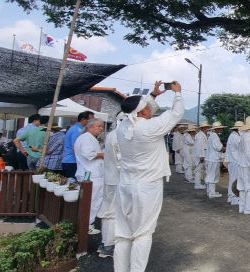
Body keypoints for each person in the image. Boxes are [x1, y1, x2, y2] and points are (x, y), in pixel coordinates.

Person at [114, 81, 184, 272]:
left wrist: (152, 96)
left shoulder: (122, 128)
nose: (150, 108)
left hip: (125, 184)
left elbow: (145, 111)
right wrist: (177, 93)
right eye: (147, 106)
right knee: (143, 234)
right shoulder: (150, 128)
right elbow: (176, 113)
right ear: (143, 112)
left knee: (123, 235)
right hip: (146, 186)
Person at [97, 113, 123, 258]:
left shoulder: (113, 134)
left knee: (110, 211)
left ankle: (107, 243)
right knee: (112, 212)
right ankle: (108, 245)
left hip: (111, 178)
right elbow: (120, 160)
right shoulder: (119, 135)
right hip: (117, 179)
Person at [75, 119, 105, 235]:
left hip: (91, 172)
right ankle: (87, 224)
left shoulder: (88, 138)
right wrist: (103, 154)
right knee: (92, 199)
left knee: (92, 199)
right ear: (90, 127)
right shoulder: (87, 138)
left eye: (102, 126)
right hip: (91, 173)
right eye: (98, 126)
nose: (101, 129)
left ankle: (87, 223)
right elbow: (89, 154)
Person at [62, 111, 93, 178]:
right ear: (83, 120)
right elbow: (75, 148)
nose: (92, 122)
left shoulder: (79, 129)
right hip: (72, 161)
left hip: (72, 161)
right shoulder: (77, 130)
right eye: (91, 120)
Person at [205, 122, 226, 198]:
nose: (221, 129)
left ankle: (210, 191)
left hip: (212, 158)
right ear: (217, 129)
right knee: (212, 175)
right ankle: (211, 192)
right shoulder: (214, 136)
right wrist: (227, 149)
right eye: (220, 128)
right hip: (213, 158)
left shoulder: (212, 136)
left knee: (211, 174)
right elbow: (219, 148)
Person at [225, 121, 243, 204]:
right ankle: (233, 197)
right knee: (234, 179)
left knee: (233, 179)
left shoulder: (234, 136)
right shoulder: (234, 137)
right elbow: (241, 147)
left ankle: (231, 196)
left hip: (234, 160)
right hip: (235, 161)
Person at [193, 122, 211, 190]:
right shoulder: (200, 135)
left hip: (202, 154)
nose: (207, 129)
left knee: (200, 169)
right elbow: (199, 147)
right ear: (203, 128)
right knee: (198, 169)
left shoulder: (202, 134)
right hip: (200, 154)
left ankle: (198, 183)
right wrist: (201, 156)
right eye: (207, 128)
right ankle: (197, 184)